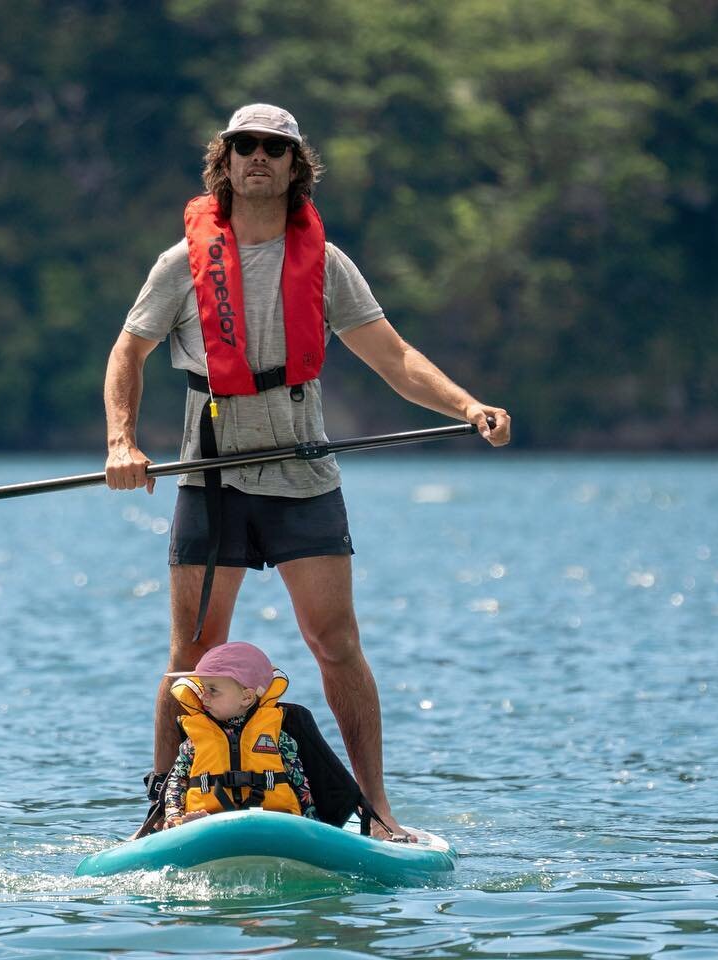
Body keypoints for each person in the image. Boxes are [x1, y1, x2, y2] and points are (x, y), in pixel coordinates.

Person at [103, 103, 511, 841]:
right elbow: (126, 354)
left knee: (336, 643)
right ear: (224, 164)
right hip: (212, 478)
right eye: (244, 146)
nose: (258, 157)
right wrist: (121, 443)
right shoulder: (179, 265)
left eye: (274, 148)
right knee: (190, 655)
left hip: (302, 477)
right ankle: (161, 815)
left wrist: (468, 403)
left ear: (296, 166)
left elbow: (395, 358)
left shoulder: (325, 263)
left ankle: (380, 813)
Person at [162, 642, 317, 828]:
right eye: (203, 689)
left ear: (246, 697)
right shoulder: (194, 741)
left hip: (273, 818)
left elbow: (300, 782)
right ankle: (196, 824)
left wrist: (310, 822)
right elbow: (177, 781)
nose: (204, 697)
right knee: (198, 819)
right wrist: (173, 815)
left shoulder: (278, 737)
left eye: (213, 690)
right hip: (210, 817)